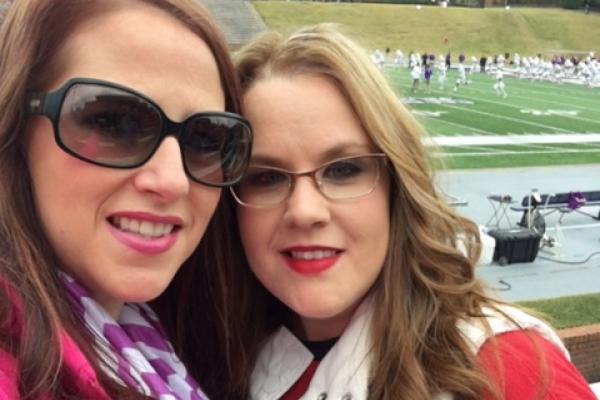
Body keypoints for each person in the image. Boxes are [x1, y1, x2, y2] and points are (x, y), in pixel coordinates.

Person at [227, 24, 597, 399]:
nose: (304, 211)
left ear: (397, 187)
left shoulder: (510, 371)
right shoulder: (218, 353)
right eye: (267, 177)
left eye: (343, 170)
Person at [0, 0, 252, 398]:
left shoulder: (165, 344)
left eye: (207, 138)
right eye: (111, 121)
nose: (173, 182)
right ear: (15, 127)